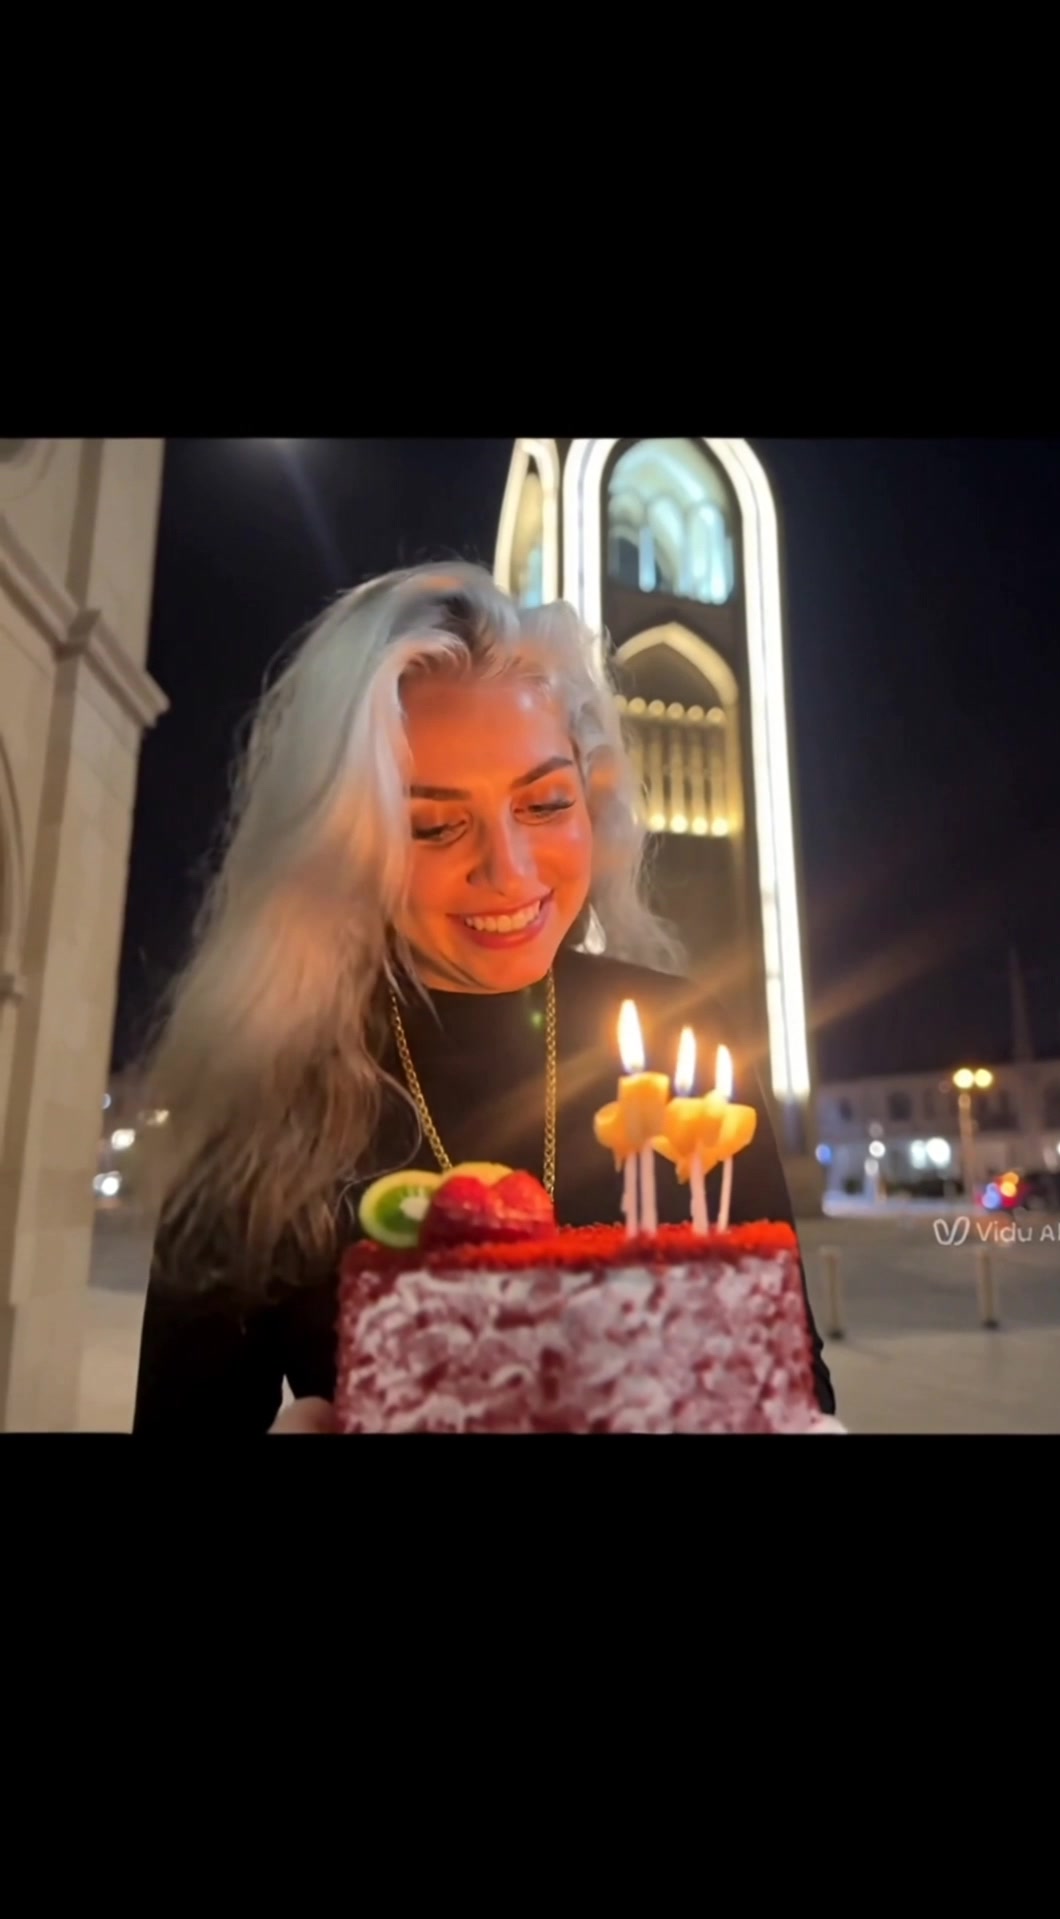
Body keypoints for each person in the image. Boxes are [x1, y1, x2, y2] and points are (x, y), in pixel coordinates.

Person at [133, 564, 835, 1433]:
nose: (511, 871)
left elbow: (794, 1382)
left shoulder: (681, 1045)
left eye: (544, 803)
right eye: (434, 824)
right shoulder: (261, 1096)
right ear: (345, 842)